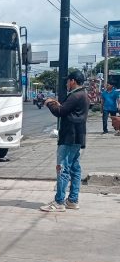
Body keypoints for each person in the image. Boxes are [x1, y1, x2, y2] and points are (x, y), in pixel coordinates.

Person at [40, 71, 89, 212]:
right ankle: (73, 200)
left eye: (68, 81)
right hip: (77, 137)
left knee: (62, 169)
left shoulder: (75, 95)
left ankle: (59, 201)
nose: (67, 84)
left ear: (73, 81)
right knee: (75, 168)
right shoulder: (83, 95)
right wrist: (58, 104)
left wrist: (49, 103)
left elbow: (60, 112)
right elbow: (67, 109)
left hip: (69, 137)